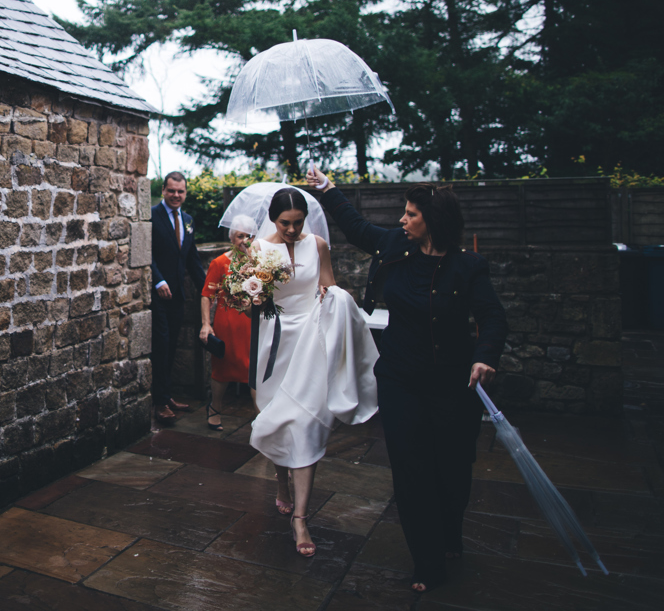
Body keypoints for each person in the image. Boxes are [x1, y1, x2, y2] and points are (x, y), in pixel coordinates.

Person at [306, 166, 507, 593]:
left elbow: (492, 317)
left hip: (453, 385)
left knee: (452, 471)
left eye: (411, 213)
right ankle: (428, 563)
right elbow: (357, 226)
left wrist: (484, 358)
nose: (402, 219)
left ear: (432, 221)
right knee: (412, 472)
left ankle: (450, 533)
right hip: (399, 381)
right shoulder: (394, 245)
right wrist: (327, 189)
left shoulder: (467, 267)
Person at [247, 186, 380, 558]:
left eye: (298, 223)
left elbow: (330, 286)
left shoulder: (318, 244)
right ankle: (281, 482)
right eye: (285, 223)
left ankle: (301, 518)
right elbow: (254, 300)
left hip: (311, 342)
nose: (292, 230)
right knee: (276, 419)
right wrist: (253, 295)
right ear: (273, 220)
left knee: (307, 423)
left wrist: (331, 295)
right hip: (274, 344)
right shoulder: (259, 249)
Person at [150, 172, 207, 423]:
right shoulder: (151, 216)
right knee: (161, 345)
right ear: (163, 190)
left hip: (178, 296)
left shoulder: (188, 220)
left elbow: (192, 260)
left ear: (185, 193)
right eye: (171, 190)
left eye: (180, 191)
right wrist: (158, 280)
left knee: (172, 345)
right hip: (157, 294)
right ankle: (159, 402)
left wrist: (209, 290)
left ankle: (167, 394)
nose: (176, 195)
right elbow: (146, 252)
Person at [198, 214, 258, 431]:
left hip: (253, 323)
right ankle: (215, 407)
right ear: (232, 238)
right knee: (222, 370)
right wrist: (206, 324)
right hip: (227, 324)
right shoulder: (220, 262)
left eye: (249, 236)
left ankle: (260, 420)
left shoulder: (260, 263)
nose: (244, 240)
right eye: (240, 235)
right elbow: (207, 295)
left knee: (255, 371)